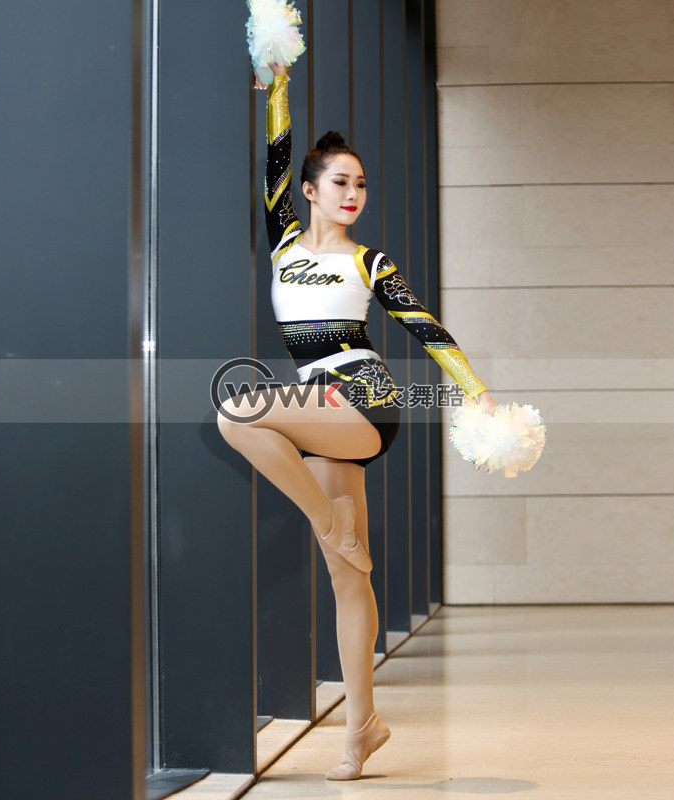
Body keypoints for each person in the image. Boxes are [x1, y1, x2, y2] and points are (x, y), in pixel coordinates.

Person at [217, 61, 494, 781]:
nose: (353, 194)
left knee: (236, 412)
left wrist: (475, 391)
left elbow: (424, 326)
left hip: (365, 395)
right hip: (322, 407)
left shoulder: (371, 261)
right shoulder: (284, 242)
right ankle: (361, 728)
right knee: (347, 576)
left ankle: (327, 520)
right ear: (309, 191)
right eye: (340, 182)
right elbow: (276, 154)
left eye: (361, 185)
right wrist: (278, 83)